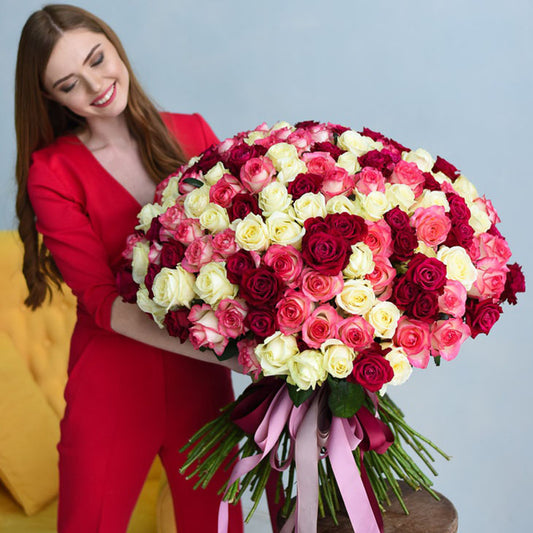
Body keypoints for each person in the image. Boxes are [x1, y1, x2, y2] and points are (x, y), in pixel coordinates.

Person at [14, 4, 244, 533]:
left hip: (203, 381)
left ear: (114, 45)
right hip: (113, 383)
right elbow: (99, 301)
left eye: (98, 59)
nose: (95, 85)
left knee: (215, 528)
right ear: (51, 98)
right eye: (70, 83)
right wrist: (232, 354)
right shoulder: (52, 171)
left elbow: (236, 259)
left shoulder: (193, 132)